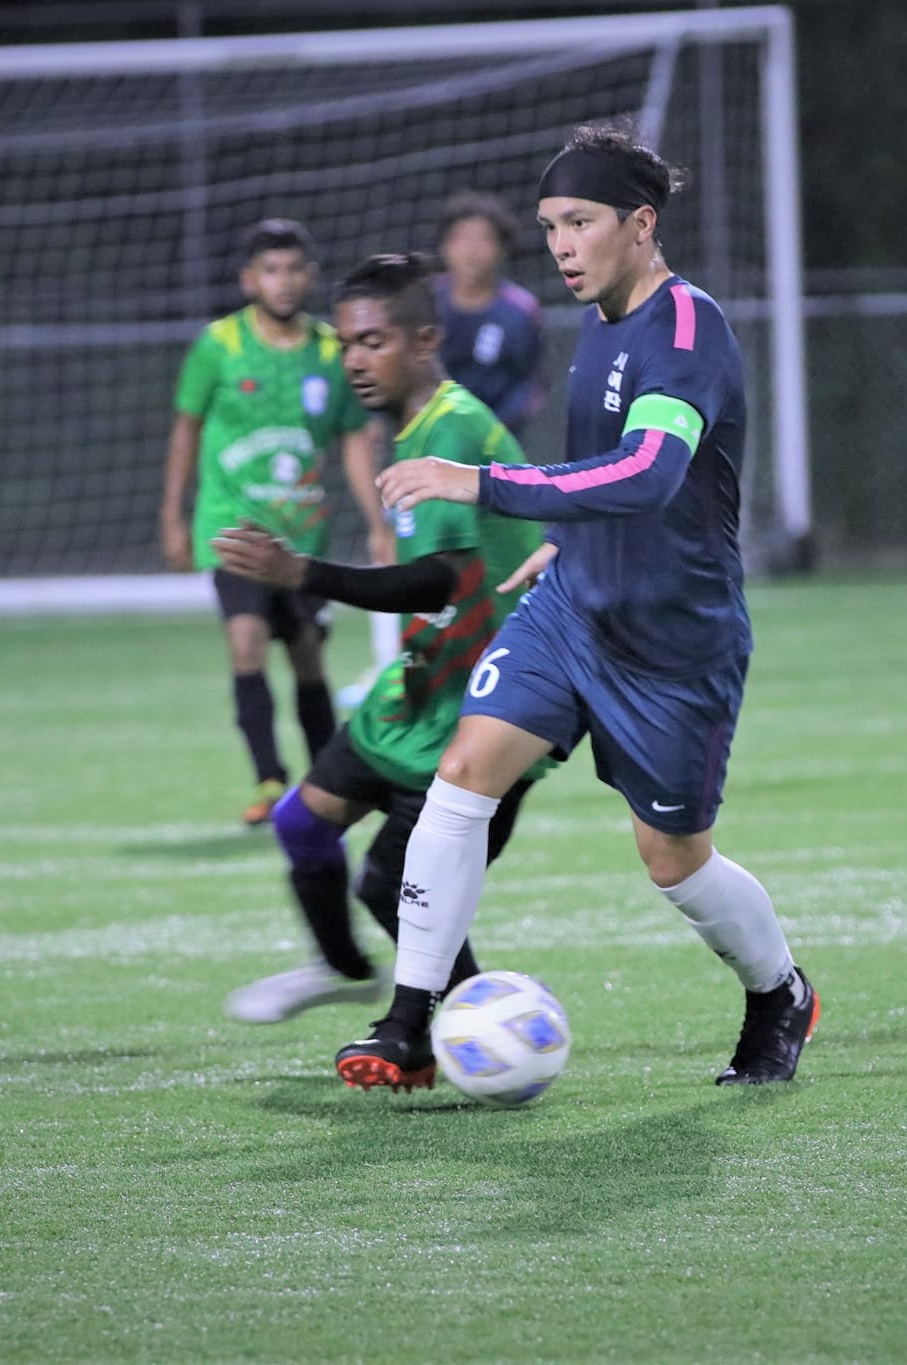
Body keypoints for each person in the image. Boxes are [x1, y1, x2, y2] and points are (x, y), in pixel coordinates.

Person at [335, 123, 818, 1094]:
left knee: (673, 861)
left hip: (673, 645)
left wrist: (482, 482)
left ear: (640, 225)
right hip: (573, 609)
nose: (560, 244)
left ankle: (778, 994)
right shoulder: (598, 325)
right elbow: (611, 483)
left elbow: (648, 472)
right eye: (551, 224)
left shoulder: (685, 331)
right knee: (463, 773)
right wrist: (565, 537)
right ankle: (405, 1022)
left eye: (581, 222)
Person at [212, 253, 549, 1029]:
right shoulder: (414, 428)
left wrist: (301, 572)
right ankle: (343, 969)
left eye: (374, 342)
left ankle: (469, 1032)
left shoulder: (455, 428)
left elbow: (437, 579)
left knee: (393, 884)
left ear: (424, 340)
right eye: (348, 345)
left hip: (486, 706)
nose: (356, 361)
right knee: (300, 823)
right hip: (426, 684)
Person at [160, 219, 394, 827]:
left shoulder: (329, 351)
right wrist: (173, 516)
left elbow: (354, 440)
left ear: (310, 277)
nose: (283, 282)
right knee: (245, 646)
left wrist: (377, 522)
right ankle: (268, 778)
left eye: (293, 270)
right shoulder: (219, 345)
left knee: (309, 658)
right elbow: (186, 428)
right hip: (233, 530)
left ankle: (325, 783)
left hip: (302, 541)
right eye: (271, 270)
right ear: (248, 280)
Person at [435, 190, 545, 437]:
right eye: (461, 238)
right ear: (445, 246)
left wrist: (493, 431)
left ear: (502, 248)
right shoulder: (425, 302)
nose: (472, 251)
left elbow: (528, 384)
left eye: (484, 239)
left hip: (493, 441)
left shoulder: (520, 311)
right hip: (431, 434)